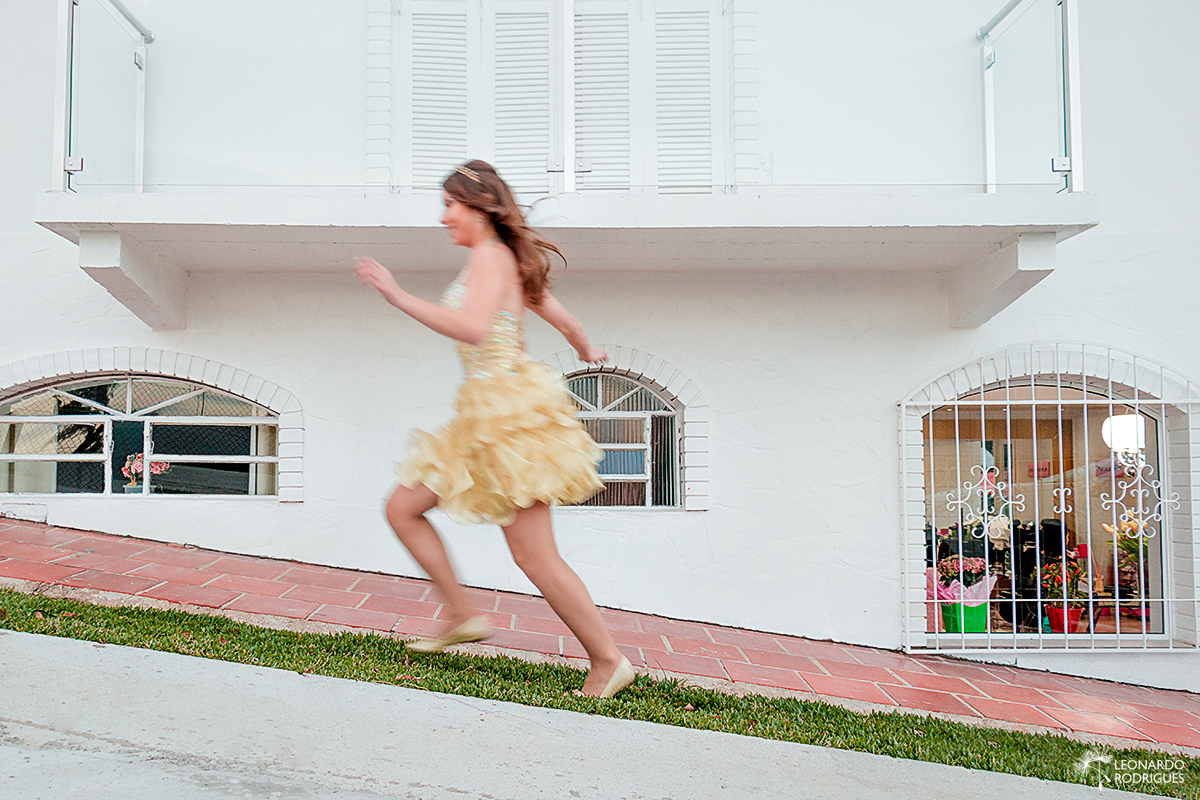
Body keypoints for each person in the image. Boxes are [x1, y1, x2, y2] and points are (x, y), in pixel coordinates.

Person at [353, 160, 635, 698]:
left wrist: (397, 296)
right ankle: (461, 615)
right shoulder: (503, 259)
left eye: (449, 206)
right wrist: (585, 347)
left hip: (511, 420)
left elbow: (473, 328)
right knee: (402, 507)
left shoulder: (489, 256)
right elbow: (562, 316)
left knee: (533, 554)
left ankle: (608, 660)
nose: (443, 218)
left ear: (479, 207)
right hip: (486, 414)